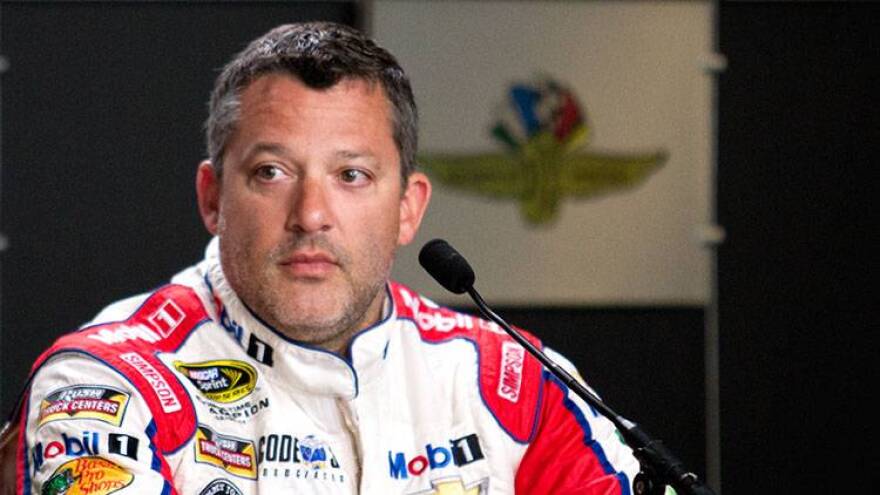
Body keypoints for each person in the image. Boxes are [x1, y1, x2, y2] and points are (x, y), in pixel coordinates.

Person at [7, 22, 639, 494]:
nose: (311, 213)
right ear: (212, 197)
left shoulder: (514, 381)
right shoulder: (106, 385)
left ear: (408, 209)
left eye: (353, 175)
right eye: (272, 171)